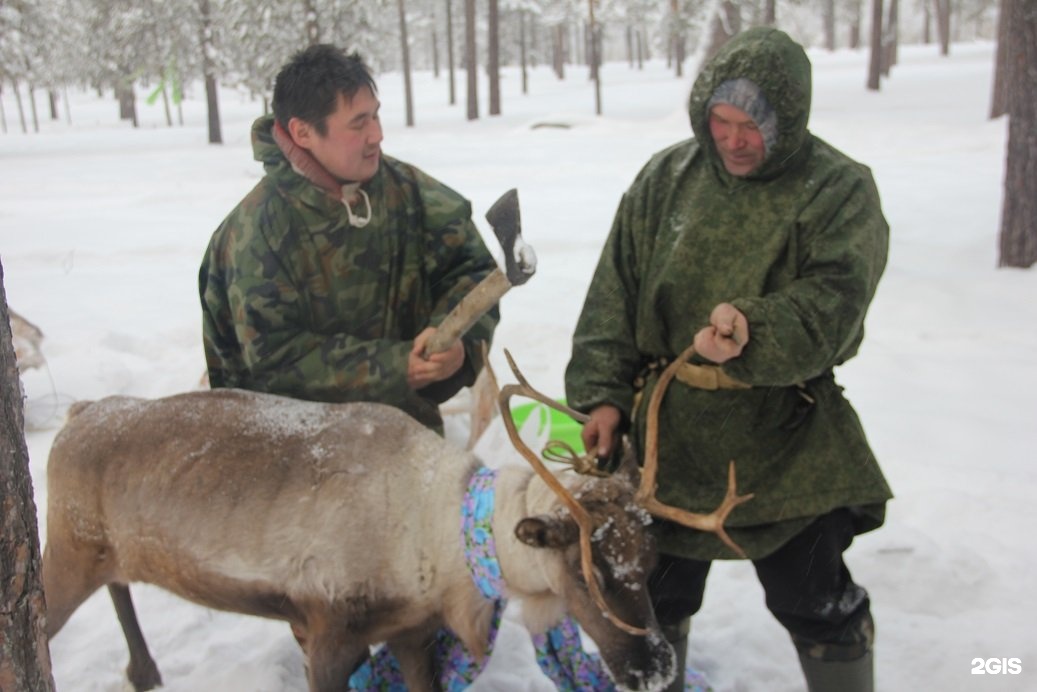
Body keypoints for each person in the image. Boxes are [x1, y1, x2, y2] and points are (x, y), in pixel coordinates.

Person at [564, 27, 892, 692]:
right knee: (651, 600)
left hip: (783, 439)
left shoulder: (836, 189)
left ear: (791, 121)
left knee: (815, 603)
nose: (734, 139)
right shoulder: (666, 178)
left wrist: (751, 329)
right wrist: (601, 395)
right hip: (668, 438)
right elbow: (613, 294)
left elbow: (835, 304)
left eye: (753, 125)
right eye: (721, 120)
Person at [199, 45, 499, 432]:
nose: (377, 135)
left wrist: (455, 343)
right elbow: (274, 362)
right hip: (289, 463)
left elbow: (472, 270)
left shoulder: (406, 191)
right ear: (303, 132)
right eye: (358, 124)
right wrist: (394, 366)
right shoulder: (257, 232)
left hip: (405, 444)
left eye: (375, 115)